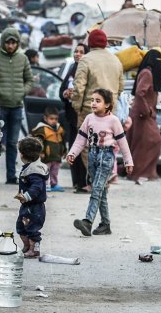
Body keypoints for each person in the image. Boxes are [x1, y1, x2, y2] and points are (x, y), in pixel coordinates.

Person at [66, 89, 133, 236]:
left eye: (98, 101)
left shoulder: (113, 121)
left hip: (106, 156)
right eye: (92, 100)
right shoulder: (89, 118)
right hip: (92, 155)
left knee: (96, 189)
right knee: (100, 191)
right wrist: (72, 153)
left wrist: (128, 161)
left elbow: (123, 143)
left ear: (107, 104)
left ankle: (87, 222)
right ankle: (105, 225)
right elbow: (80, 139)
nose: (93, 103)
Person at [0, 27, 33, 185]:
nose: (10, 45)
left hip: (16, 106)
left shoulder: (23, 59)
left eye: (13, 42)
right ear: (3, 42)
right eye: (8, 42)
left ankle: (11, 175)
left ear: (17, 43)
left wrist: (22, 92)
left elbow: (29, 80)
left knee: (12, 142)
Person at [71, 29, 124, 174]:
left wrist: (77, 107)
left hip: (90, 107)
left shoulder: (86, 60)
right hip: (109, 110)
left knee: (87, 144)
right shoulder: (116, 60)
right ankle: (105, 176)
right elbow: (120, 87)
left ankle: (96, 179)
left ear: (90, 43)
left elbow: (79, 86)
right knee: (106, 144)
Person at [127, 50, 161, 184]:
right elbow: (140, 93)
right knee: (152, 141)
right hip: (143, 114)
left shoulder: (147, 73)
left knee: (141, 144)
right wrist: (147, 110)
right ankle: (140, 173)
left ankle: (142, 173)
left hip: (144, 113)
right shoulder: (147, 73)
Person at [60, 43, 89, 193]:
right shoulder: (72, 68)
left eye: (81, 52)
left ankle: (84, 182)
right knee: (73, 148)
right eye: (76, 52)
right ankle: (77, 182)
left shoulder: (86, 69)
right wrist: (65, 94)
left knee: (82, 148)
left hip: (82, 115)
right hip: (71, 116)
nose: (77, 54)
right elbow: (62, 89)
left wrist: (75, 95)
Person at [15, 137, 48, 258]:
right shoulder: (30, 167)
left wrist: (26, 196)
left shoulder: (35, 170)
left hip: (35, 207)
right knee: (21, 226)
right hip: (27, 206)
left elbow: (37, 187)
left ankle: (34, 249)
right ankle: (27, 246)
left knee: (32, 229)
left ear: (21, 154)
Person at [31, 106, 66, 192]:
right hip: (46, 156)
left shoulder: (59, 129)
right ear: (45, 118)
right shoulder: (42, 129)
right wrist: (40, 152)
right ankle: (44, 184)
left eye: (56, 119)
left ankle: (54, 184)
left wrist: (64, 150)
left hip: (56, 155)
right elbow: (38, 142)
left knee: (54, 172)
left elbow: (62, 141)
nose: (54, 121)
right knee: (45, 171)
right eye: (51, 118)